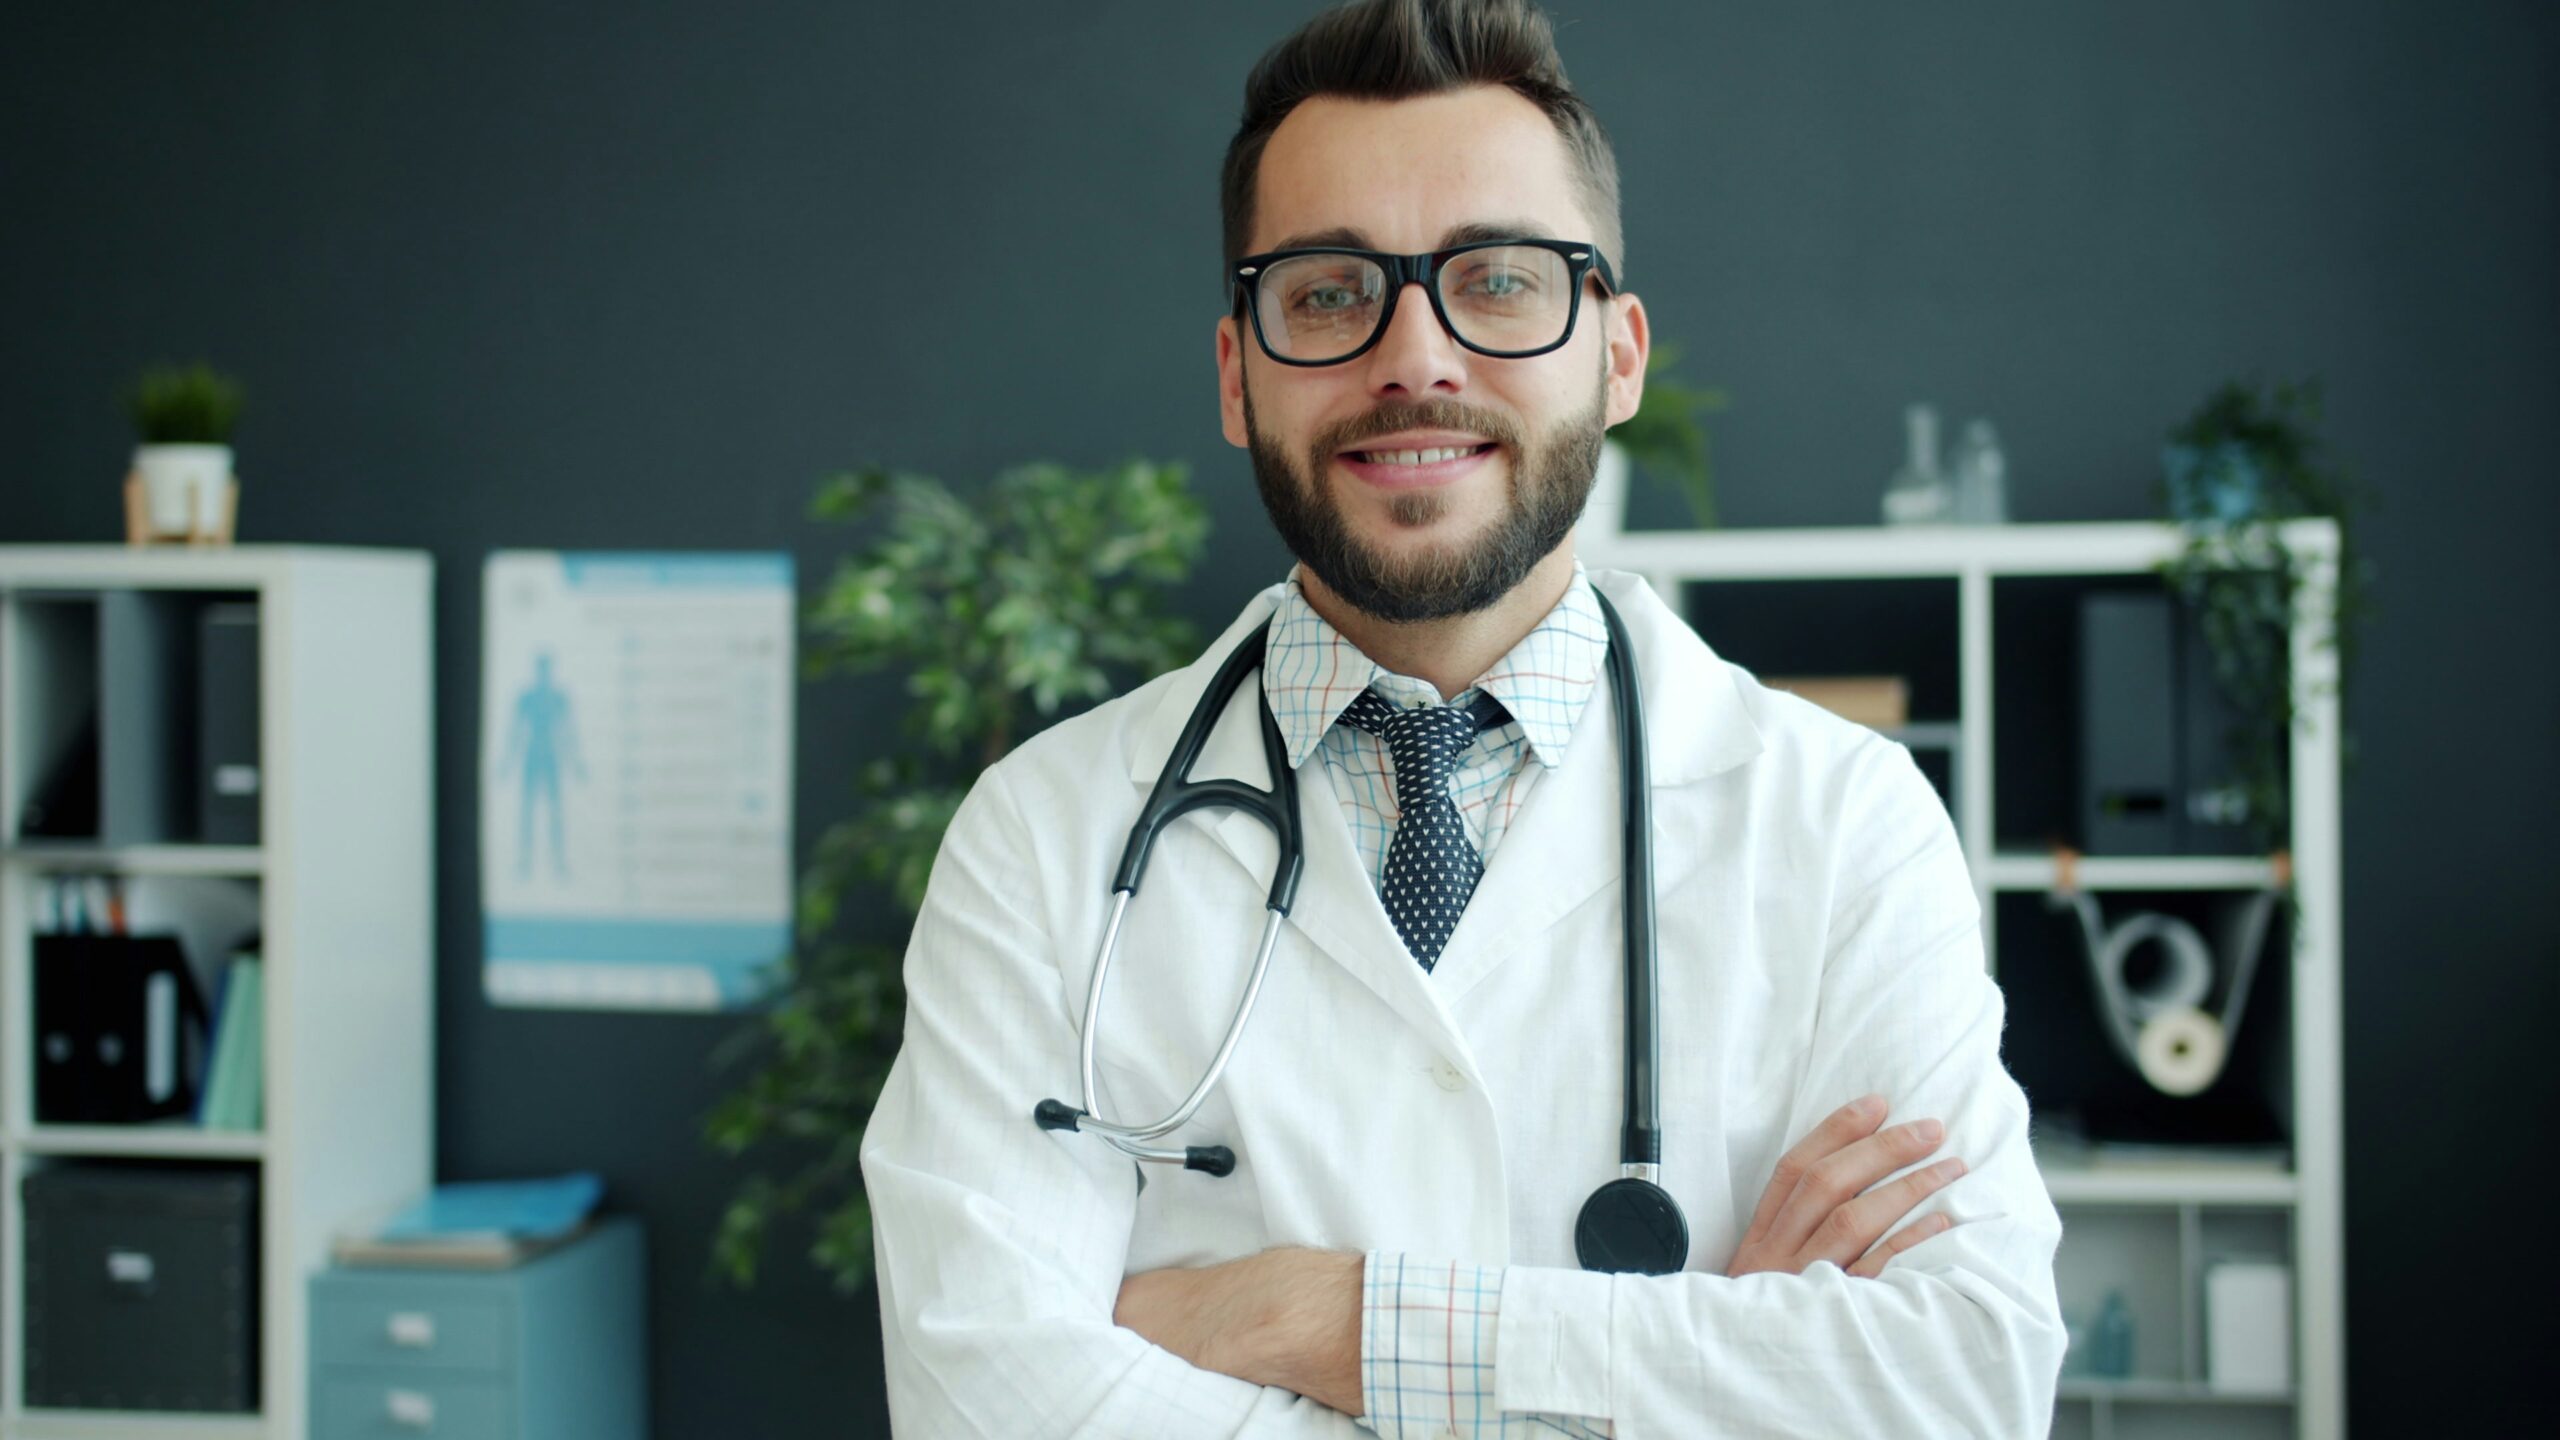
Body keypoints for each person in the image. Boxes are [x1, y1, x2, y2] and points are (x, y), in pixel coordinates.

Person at [858, 1, 2066, 1433]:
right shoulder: (1044, 841)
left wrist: (1319, 1316)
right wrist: (1694, 1362)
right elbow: (980, 1404)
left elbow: (1964, 1383)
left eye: (1496, 281)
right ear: (1240, 375)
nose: (1413, 356)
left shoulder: (1844, 826)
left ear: (1619, 357)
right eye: (1325, 292)